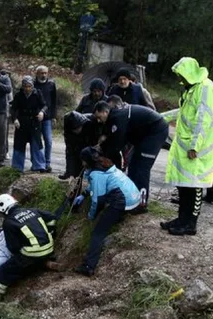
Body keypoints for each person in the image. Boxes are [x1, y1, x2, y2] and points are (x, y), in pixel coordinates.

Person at [161, 57, 213, 236]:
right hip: (189, 143)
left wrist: (195, 146)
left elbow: (203, 118)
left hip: (200, 146)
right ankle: (182, 219)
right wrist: (160, 117)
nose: (179, 79)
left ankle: (191, 224)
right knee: (184, 184)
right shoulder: (192, 89)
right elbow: (183, 113)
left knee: (195, 184)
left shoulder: (205, 88)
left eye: (181, 74)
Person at [72, 147, 141, 276]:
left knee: (98, 233)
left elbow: (98, 201)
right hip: (134, 198)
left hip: (123, 202)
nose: (82, 164)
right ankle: (118, 217)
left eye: (83, 161)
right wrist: (85, 194)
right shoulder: (105, 164)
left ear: (87, 161)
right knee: (108, 215)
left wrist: (91, 216)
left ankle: (89, 266)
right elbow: (97, 185)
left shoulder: (96, 174)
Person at [93, 100, 169, 211]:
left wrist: (104, 156)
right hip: (143, 135)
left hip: (155, 131)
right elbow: (111, 139)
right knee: (133, 165)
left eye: (99, 117)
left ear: (105, 112)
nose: (99, 121)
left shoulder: (118, 117)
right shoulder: (112, 118)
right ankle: (132, 197)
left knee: (142, 167)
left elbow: (117, 144)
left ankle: (142, 204)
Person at [0, 193, 56, 297]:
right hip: (50, 248)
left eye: (0, 213)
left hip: (33, 253)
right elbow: (52, 218)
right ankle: (43, 263)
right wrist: (51, 233)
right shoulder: (32, 210)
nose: (1, 216)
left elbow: (13, 247)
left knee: (2, 272)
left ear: (4, 209)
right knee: (31, 259)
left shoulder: (8, 222)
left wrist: (17, 258)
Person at [10, 76, 48, 172]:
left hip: (34, 122)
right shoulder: (19, 95)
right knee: (19, 145)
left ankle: (39, 166)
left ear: (32, 86)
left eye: (29, 86)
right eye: (25, 86)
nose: (27, 88)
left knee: (36, 144)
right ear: (22, 86)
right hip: (21, 123)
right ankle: (17, 167)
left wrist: (42, 112)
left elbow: (44, 105)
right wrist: (15, 119)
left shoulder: (37, 93)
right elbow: (13, 108)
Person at [34, 65, 58, 172]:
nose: (43, 75)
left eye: (45, 73)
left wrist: (54, 116)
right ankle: (37, 163)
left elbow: (54, 102)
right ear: (37, 73)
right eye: (41, 73)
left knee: (48, 141)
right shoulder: (33, 84)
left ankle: (47, 163)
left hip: (47, 117)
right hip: (35, 117)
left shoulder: (51, 85)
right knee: (36, 141)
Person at [59, 111, 94, 180]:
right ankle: (71, 176)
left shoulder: (90, 121)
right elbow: (70, 152)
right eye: (75, 129)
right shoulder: (68, 132)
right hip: (78, 148)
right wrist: (71, 173)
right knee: (75, 171)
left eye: (78, 127)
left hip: (91, 147)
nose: (77, 130)